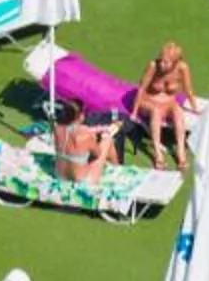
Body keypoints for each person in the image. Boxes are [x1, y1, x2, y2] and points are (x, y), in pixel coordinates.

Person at [131, 41, 198, 170]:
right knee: (156, 112)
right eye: (161, 60)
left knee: (178, 112)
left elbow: (188, 89)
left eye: (166, 62)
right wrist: (134, 111)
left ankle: (180, 151)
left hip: (169, 103)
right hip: (149, 102)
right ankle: (157, 152)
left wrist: (195, 108)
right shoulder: (153, 66)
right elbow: (141, 88)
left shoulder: (182, 68)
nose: (161, 64)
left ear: (175, 62)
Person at [51, 105, 116, 186]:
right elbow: (97, 154)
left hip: (60, 176)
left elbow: (73, 130)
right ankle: (117, 169)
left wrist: (99, 129)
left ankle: (115, 166)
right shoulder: (86, 135)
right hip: (82, 182)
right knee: (107, 140)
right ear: (81, 116)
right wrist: (96, 137)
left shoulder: (57, 129)